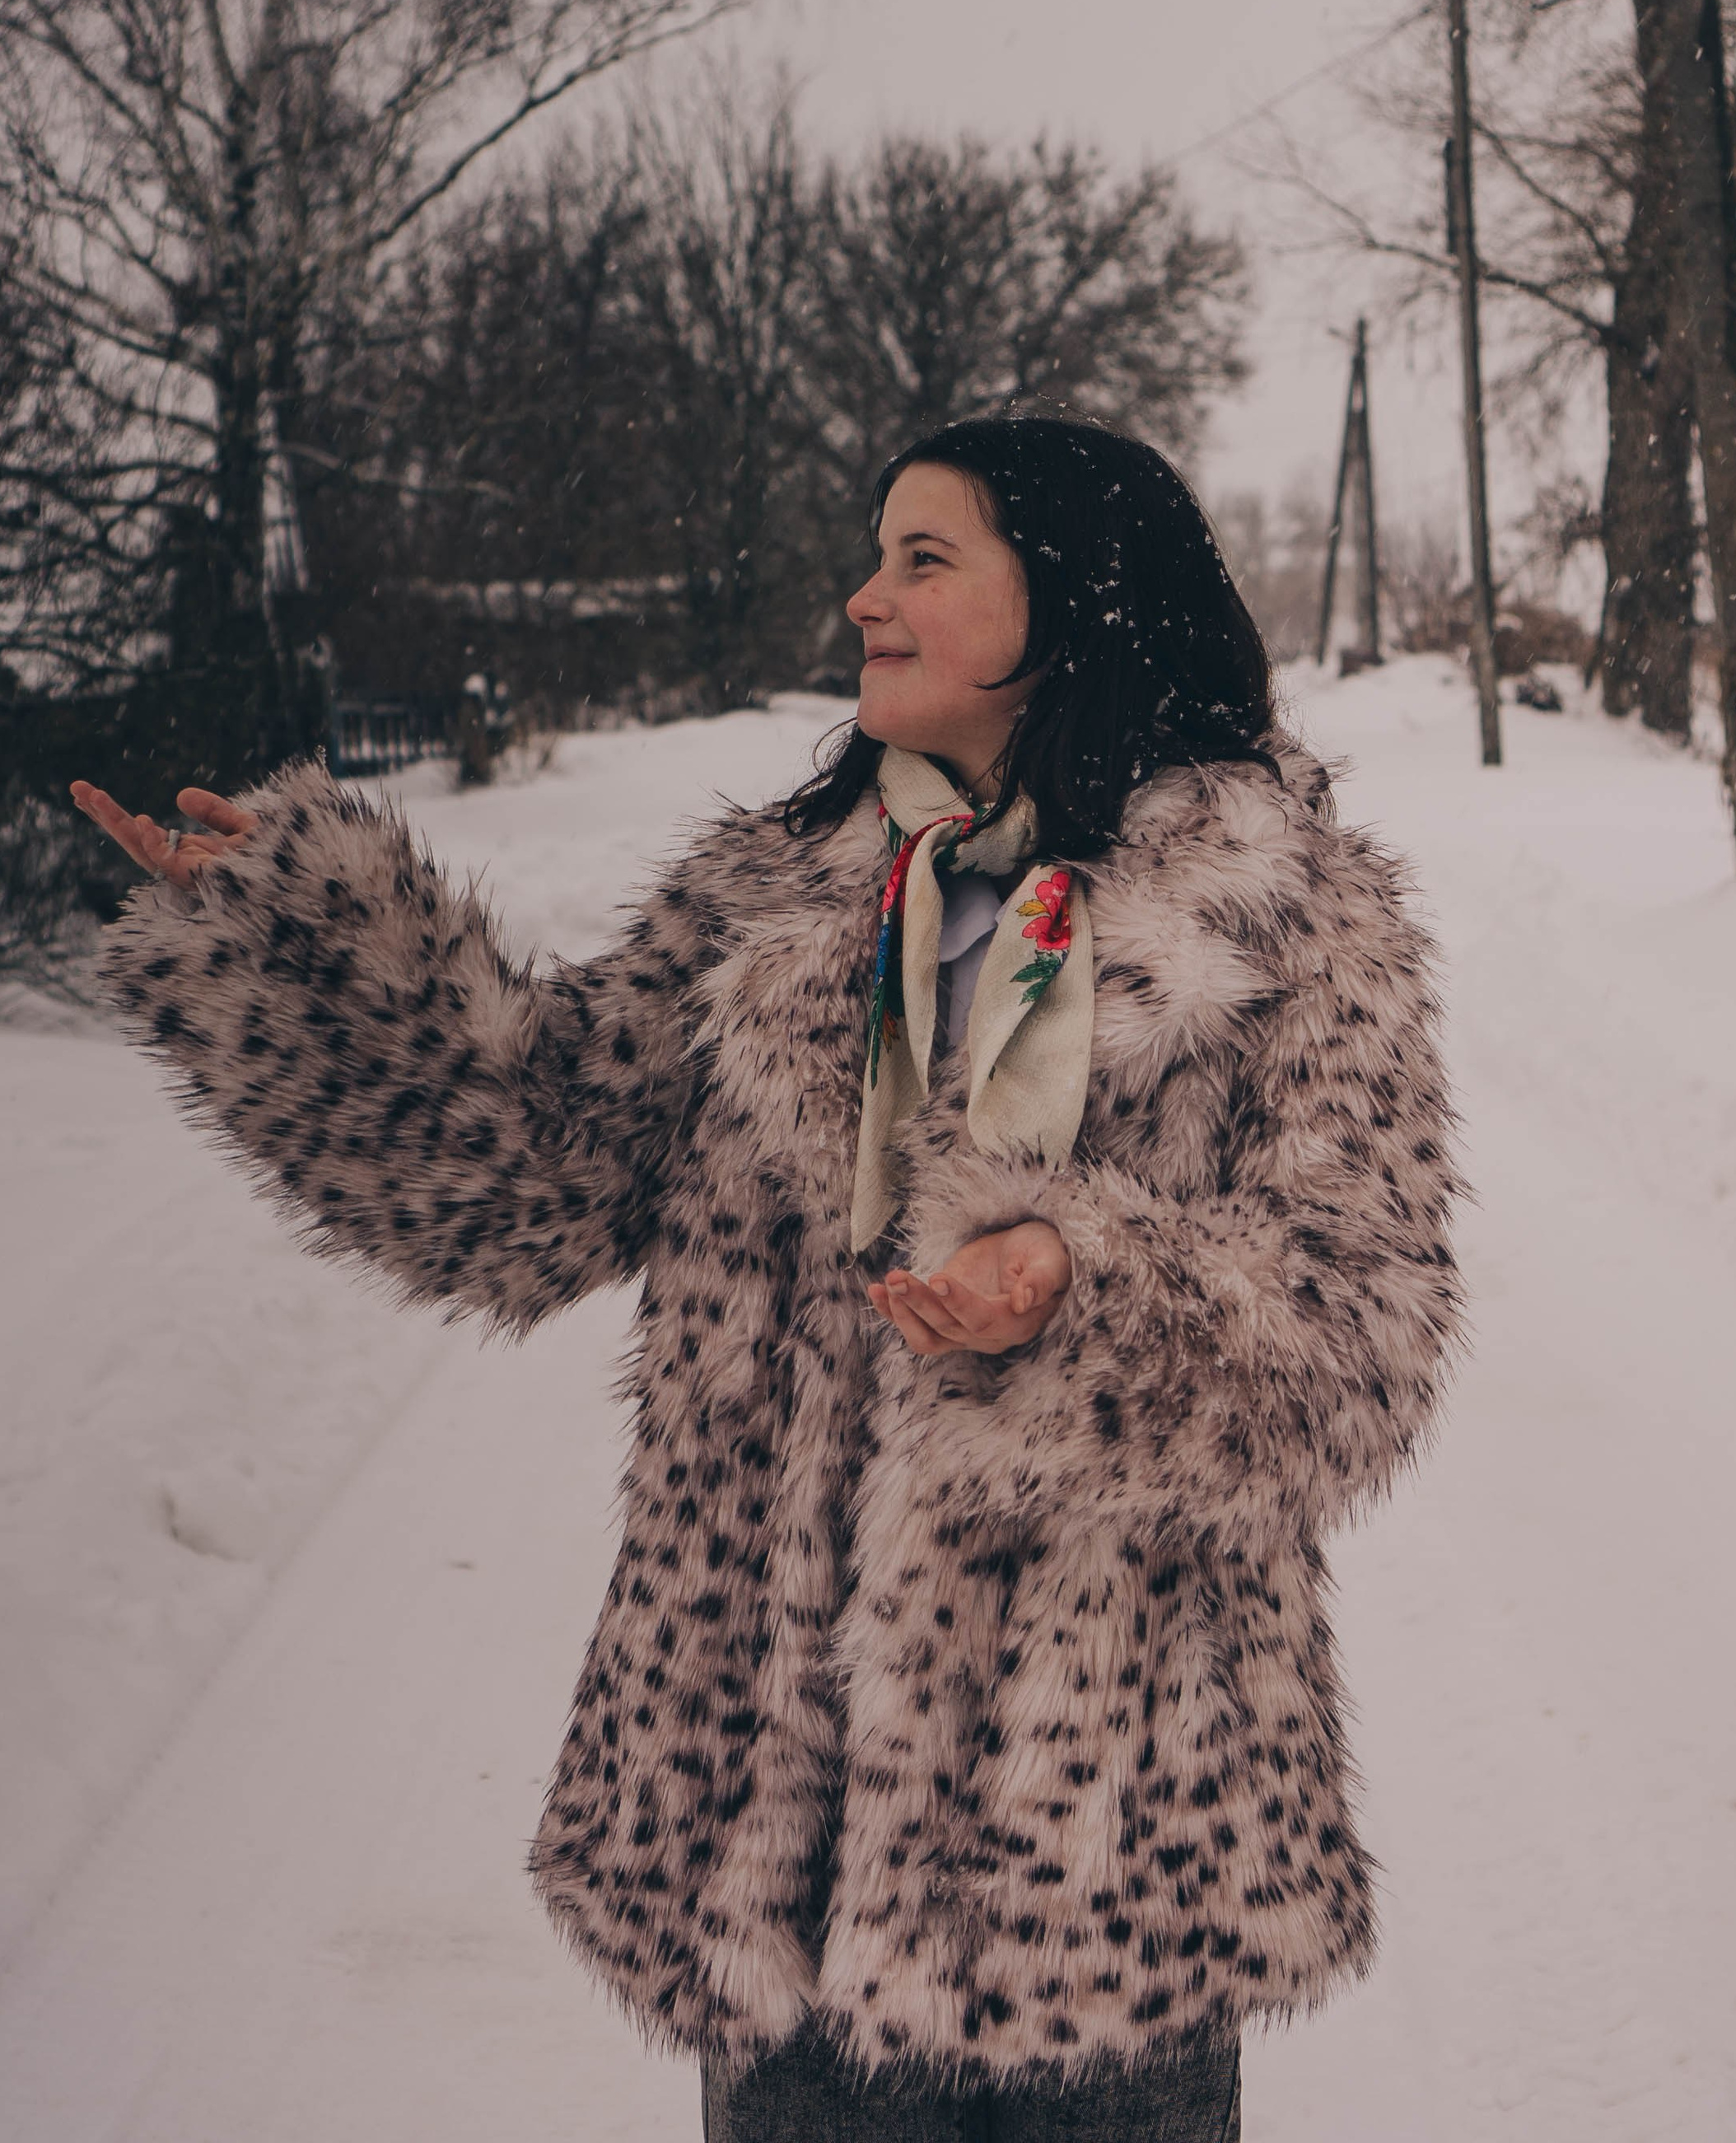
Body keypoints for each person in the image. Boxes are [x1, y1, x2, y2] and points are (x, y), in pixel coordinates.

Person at [76, 415, 1461, 2142]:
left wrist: (1077, 1292)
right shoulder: (771, 901)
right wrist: (293, 945)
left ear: (1077, 600)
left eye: (923, 559)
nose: (864, 595)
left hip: (1103, 1862)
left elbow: (1362, 1325)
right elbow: (536, 1165)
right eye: (878, 554)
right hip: (771, 1849)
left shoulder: (1294, 927)